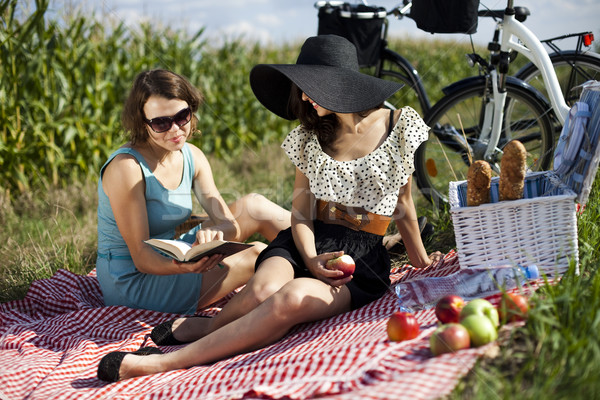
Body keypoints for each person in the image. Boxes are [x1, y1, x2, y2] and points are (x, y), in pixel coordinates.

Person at [97, 35, 443, 382]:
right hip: (306, 240)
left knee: (288, 300)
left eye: (312, 88)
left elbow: (405, 204)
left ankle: (164, 362)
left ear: (341, 85)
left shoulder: (400, 125)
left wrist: (422, 263)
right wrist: (309, 258)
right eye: (302, 88)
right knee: (262, 290)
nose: (305, 97)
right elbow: (301, 213)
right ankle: (213, 327)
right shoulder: (310, 135)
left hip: (360, 256)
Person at [96, 69, 291, 316]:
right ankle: (317, 280)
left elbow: (228, 224)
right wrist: (183, 267)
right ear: (142, 123)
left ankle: (329, 251)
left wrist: (215, 232)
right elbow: (142, 257)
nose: (175, 129)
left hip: (172, 254)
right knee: (259, 255)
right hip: (134, 281)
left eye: (182, 116)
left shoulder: (191, 156)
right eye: (161, 122)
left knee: (254, 206)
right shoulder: (127, 168)